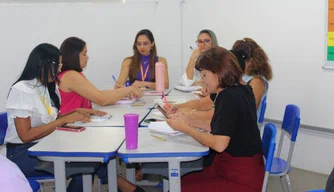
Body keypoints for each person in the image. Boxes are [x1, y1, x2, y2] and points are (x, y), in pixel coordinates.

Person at [4, 43, 106, 192]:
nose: (59, 70)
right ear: (43, 65)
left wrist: (76, 112)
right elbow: (25, 135)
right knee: (82, 169)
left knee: (90, 162)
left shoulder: (48, 87)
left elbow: (52, 119)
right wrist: (63, 120)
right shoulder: (22, 90)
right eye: (57, 65)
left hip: (45, 144)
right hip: (22, 153)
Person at [166, 46, 264, 192]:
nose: (202, 81)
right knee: (179, 183)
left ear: (217, 72)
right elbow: (222, 127)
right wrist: (190, 121)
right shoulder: (242, 89)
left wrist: (185, 128)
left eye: (204, 75)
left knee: (178, 188)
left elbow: (219, 144)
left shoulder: (228, 96)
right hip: (238, 169)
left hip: (240, 178)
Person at [168, 38, 272, 125]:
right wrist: (178, 107)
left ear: (251, 61)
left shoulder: (256, 81)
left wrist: (191, 114)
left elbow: (242, 113)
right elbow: (203, 104)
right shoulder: (234, 79)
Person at [58, 37, 143, 115]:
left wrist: (120, 92)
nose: (87, 57)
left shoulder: (73, 74)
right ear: (74, 56)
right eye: (84, 54)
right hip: (72, 124)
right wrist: (128, 89)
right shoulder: (71, 76)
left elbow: (97, 94)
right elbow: (101, 99)